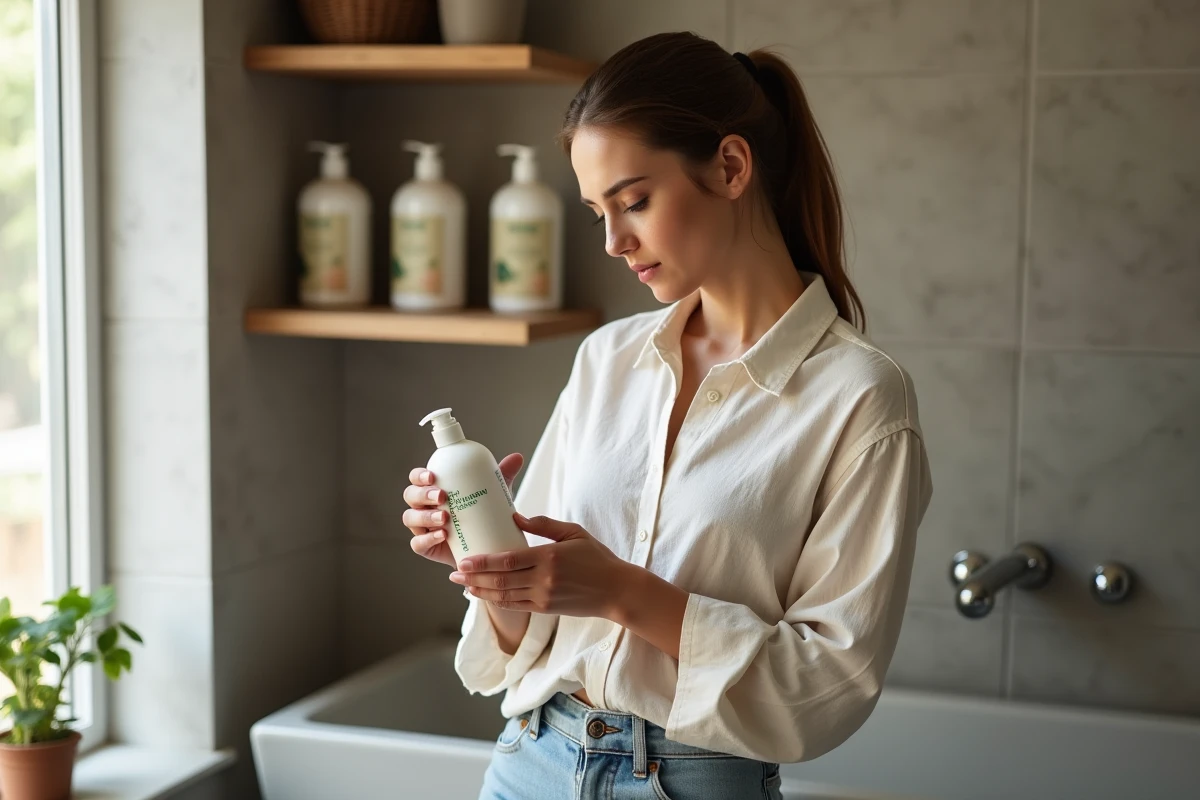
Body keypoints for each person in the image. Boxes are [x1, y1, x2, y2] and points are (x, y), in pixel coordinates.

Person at [402, 31, 933, 800]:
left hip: (691, 781)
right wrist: (487, 562)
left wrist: (621, 592)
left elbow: (828, 685)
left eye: (635, 201)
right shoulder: (608, 360)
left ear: (730, 165)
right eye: (598, 215)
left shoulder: (859, 397)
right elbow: (524, 638)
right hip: (530, 761)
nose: (616, 242)